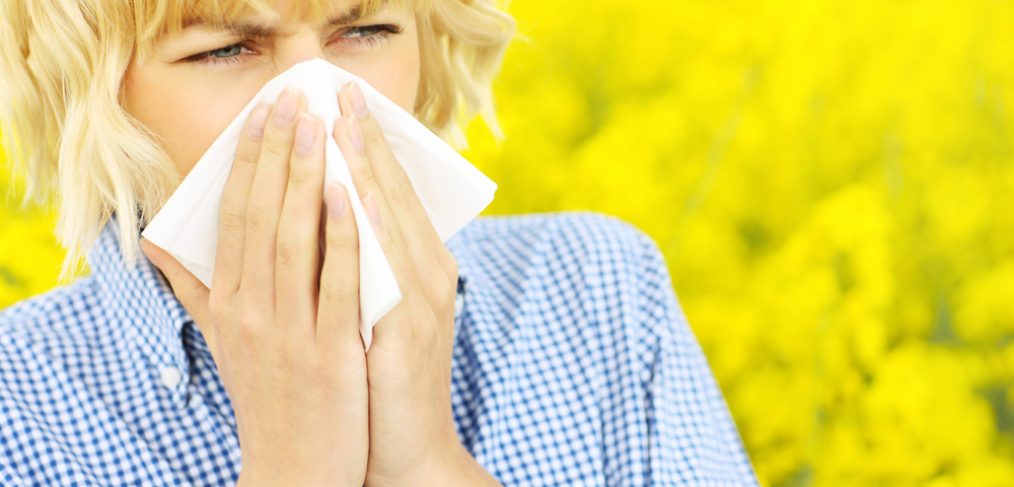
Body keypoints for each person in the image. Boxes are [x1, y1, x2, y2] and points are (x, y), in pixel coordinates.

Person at [0, 0, 758, 485]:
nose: (317, 108)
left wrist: (426, 462)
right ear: (91, 97)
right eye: (226, 49)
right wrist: (295, 473)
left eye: (364, 32)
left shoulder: (595, 291)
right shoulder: (20, 404)